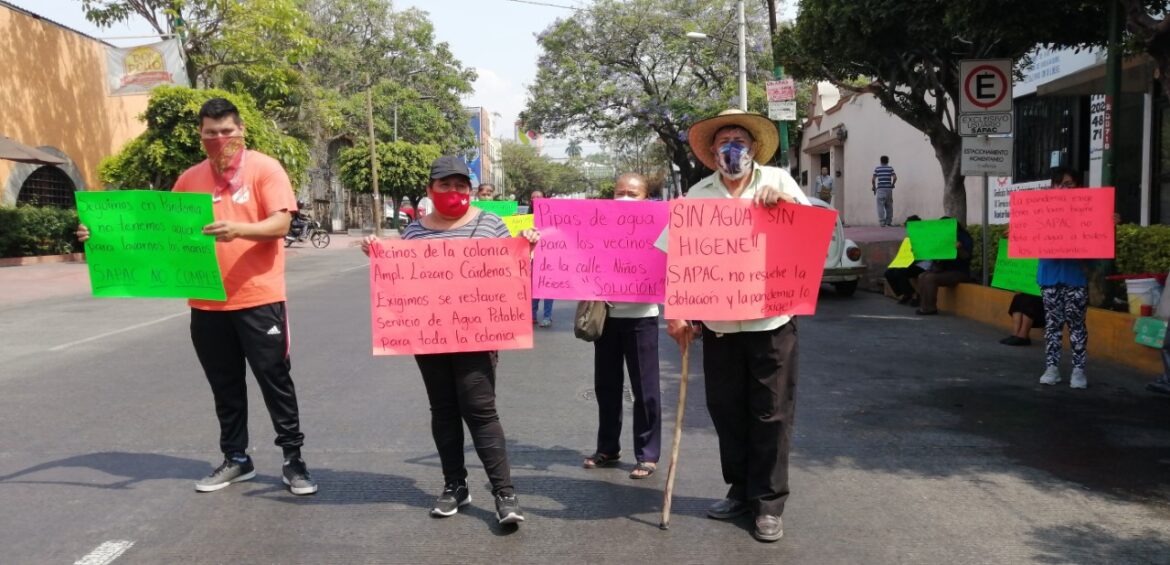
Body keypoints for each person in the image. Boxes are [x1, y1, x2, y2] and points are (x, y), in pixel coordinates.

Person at [76, 97, 317, 495]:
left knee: (274, 380)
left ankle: (294, 460)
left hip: (258, 298)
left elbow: (280, 223)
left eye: (226, 131)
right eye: (210, 133)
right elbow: (160, 232)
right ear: (201, 135)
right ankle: (236, 458)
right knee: (225, 384)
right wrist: (99, 236)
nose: (219, 139)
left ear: (241, 131)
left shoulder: (265, 169)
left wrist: (239, 230)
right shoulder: (190, 178)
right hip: (206, 301)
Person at [361, 156, 536, 526]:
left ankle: (505, 493)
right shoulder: (414, 232)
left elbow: (510, 277)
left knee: (480, 410)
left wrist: (526, 250)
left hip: (478, 334)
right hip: (430, 336)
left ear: (470, 191)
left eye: (460, 186)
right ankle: (455, 485)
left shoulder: (491, 225)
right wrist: (379, 257)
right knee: (442, 410)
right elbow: (402, 285)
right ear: (430, 190)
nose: (453, 192)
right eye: (445, 185)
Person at [663, 108, 810, 543]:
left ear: (754, 150)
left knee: (771, 412)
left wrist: (782, 208)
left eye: (741, 142)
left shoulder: (779, 182)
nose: (733, 148)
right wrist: (676, 311)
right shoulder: (695, 197)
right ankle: (740, 490)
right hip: (719, 326)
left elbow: (809, 235)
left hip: (772, 321)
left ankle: (768, 503)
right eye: (724, 141)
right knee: (726, 410)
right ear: (712, 152)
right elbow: (678, 258)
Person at [582, 173, 662, 480]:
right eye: (619, 192)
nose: (624, 197)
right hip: (607, 317)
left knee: (646, 390)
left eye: (632, 192)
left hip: (642, 316)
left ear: (646, 198)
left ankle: (648, 454)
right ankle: (607, 447)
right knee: (607, 387)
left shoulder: (657, 227)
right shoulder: (598, 226)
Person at [1038, 167, 1091, 389]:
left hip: (1075, 276)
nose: (1062, 189)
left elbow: (1098, 244)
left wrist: (1108, 224)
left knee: (1076, 323)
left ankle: (1078, 371)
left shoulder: (1089, 211)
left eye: (1068, 184)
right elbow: (1031, 236)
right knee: (1052, 324)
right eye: (1058, 184)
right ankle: (1052, 368)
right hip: (1049, 275)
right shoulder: (1041, 210)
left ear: (1078, 186)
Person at [914, 218, 973, 316]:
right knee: (922, 276)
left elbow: (966, 256)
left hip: (959, 271)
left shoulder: (963, 237)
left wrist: (959, 248)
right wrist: (919, 249)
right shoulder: (941, 237)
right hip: (942, 270)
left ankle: (930, 308)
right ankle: (924, 306)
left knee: (930, 278)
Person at [884, 215, 928, 304]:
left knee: (900, 272)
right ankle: (905, 293)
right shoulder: (908, 239)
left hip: (922, 264)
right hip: (909, 262)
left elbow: (927, 255)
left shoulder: (926, 237)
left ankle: (914, 294)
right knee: (888, 273)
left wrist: (918, 252)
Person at [529, 189, 554, 327]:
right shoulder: (524, 218)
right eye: (533, 197)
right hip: (531, 257)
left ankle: (547, 317)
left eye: (538, 197)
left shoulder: (552, 216)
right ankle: (532, 316)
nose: (536, 199)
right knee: (533, 289)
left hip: (549, 257)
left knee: (548, 288)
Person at [871, 156, 897, 227]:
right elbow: (895, 177)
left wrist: (874, 187)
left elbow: (873, 180)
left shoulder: (877, 169)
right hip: (888, 189)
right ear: (887, 161)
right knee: (889, 206)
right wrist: (892, 184)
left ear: (881, 161)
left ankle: (882, 222)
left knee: (880, 206)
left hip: (880, 189)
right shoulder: (890, 168)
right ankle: (889, 222)